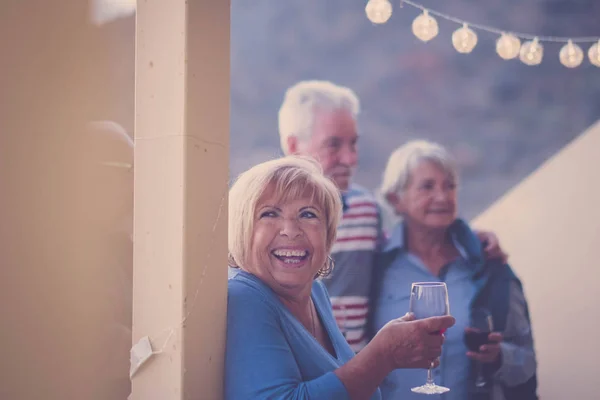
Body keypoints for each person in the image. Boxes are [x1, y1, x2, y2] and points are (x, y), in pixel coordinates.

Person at [277, 80, 507, 351]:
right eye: (333, 145)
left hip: (360, 379)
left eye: (353, 144)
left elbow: (407, 240)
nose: (350, 159)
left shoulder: (366, 210)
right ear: (293, 147)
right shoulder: (265, 224)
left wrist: (470, 238)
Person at [225, 155, 456, 399]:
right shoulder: (244, 298)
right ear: (242, 229)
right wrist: (383, 355)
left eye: (308, 214)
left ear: (328, 234)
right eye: (269, 214)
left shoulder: (315, 292)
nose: (291, 231)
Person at [370, 140, 537, 400]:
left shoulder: (489, 267)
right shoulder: (373, 269)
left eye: (450, 186)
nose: (443, 196)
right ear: (396, 198)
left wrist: (499, 357)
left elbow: (526, 363)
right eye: (428, 186)